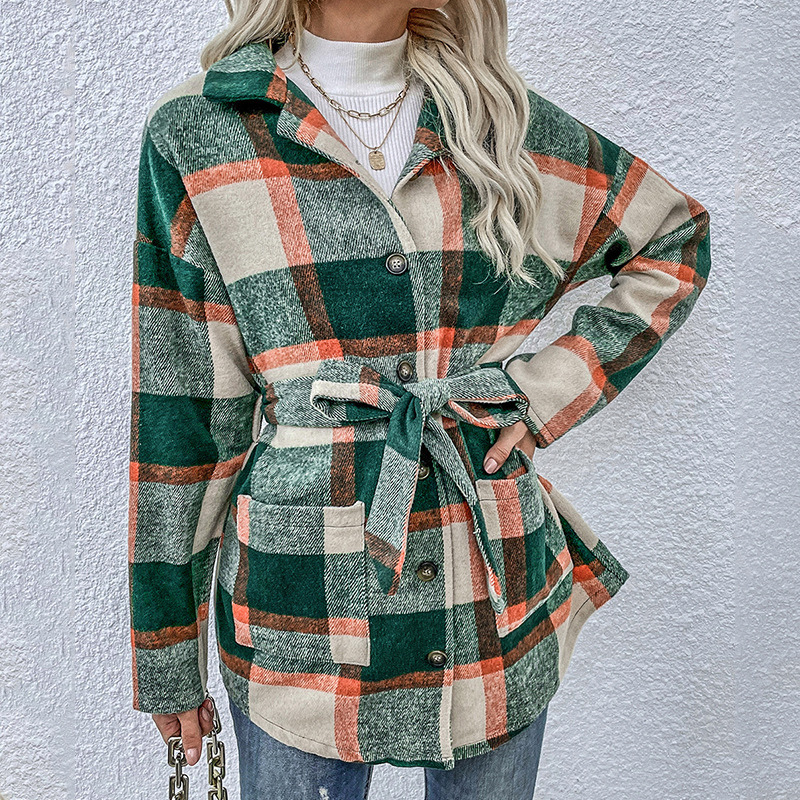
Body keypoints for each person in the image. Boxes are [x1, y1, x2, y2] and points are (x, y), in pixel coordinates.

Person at [127, 0, 712, 797]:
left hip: (489, 601)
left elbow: (671, 239)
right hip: (302, 614)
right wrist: (167, 653)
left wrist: (538, 396)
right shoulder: (202, 131)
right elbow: (184, 416)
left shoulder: (500, 121)